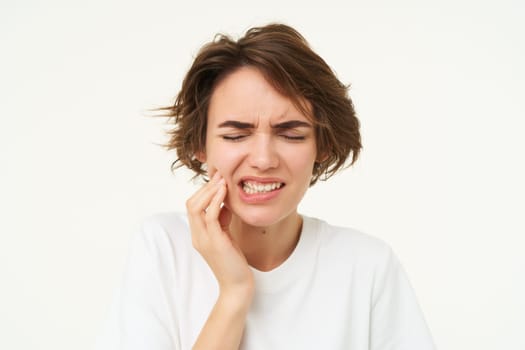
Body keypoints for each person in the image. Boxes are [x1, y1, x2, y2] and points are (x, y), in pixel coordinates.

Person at [95, 23, 436, 350]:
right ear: (200, 145)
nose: (262, 159)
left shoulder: (367, 266)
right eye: (235, 135)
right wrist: (234, 293)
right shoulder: (163, 248)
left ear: (323, 146)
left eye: (291, 134)